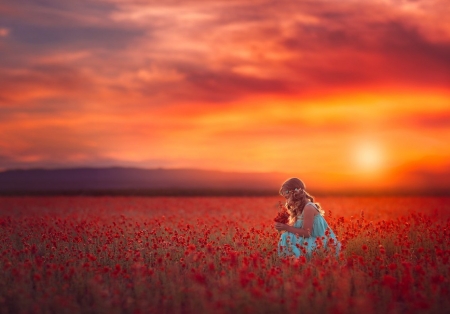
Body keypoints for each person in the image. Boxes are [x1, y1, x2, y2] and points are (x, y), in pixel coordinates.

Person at [274, 178, 340, 258]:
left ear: (294, 193)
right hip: (311, 240)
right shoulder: (299, 207)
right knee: (287, 235)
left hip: (319, 243)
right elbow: (298, 229)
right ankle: (291, 262)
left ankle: (294, 262)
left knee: (287, 236)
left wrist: (286, 227)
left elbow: (306, 233)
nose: (286, 200)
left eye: (287, 196)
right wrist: (282, 225)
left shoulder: (308, 207)